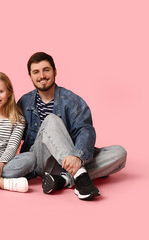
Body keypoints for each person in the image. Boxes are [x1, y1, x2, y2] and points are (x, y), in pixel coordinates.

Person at [17, 52, 127, 200]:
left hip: (66, 162)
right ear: (30, 76)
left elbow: (85, 130)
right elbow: (13, 133)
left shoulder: (72, 101)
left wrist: (77, 156)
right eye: (36, 72)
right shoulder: (24, 102)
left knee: (119, 153)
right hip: (40, 162)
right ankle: (80, 177)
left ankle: (63, 179)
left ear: (55, 71)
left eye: (46, 70)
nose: (42, 75)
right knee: (51, 120)